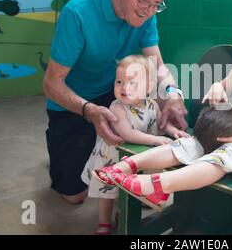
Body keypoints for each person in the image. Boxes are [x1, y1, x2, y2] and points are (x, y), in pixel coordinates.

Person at [95, 0, 232, 211]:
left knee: (224, 155)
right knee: (193, 142)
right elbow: (223, 84)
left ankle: (159, 186)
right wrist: (218, 87)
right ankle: (125, 166)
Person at [43, 0, 187, 205]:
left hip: (115, 94)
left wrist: (173, 94)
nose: (149, 11)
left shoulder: (147, 15)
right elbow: (51, 83)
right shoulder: (78, 12)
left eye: (157, 4)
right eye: (144, 0)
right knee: (75, 195)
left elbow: (159, 67)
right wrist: (88, 110)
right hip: (75, 103)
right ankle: (61, 144)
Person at [81, 55, 188, 234]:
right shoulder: (117, 107)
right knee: (107, 193)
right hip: (112, 158)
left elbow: (161, 123)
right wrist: (155, 140)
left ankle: (122, 214)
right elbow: (127, 133)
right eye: (119, 81)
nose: (124, 88)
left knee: (130, 191)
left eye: (133, 83)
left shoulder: (152, 105)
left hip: (137, 158)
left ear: (149, 87)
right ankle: (104, 223)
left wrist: (172, 131)